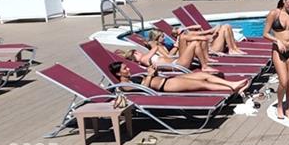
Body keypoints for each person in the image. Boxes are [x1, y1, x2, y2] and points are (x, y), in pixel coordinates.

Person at [106, 59, 249, 96]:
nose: (129, 69)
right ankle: (232, 87)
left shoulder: (132, 78)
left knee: (203, 75)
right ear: (119, 74)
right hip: (167, 86)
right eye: (125, 69)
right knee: (202, 84)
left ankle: (232, 83)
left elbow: (147, 81)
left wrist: (153, 72)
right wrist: (149, 75)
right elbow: (144, 88)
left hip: (168, 79)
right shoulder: (124, 86)